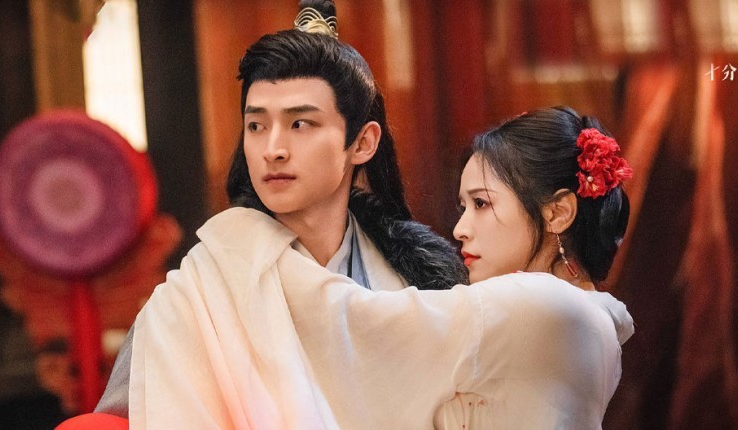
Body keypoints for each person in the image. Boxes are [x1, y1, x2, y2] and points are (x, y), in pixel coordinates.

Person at [110, 106, 633, 428]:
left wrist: (242, 239)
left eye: (482, 204)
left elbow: (351, 321)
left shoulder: (540, 305)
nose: (459, 229)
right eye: (463, 206)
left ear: (558, 212)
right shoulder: (596, 318)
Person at [87, 0, 466, 421]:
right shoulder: (195, 297)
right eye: (257, 126)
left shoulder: (419, 284)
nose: (273, 149)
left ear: (363, 143)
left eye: (300, 124)